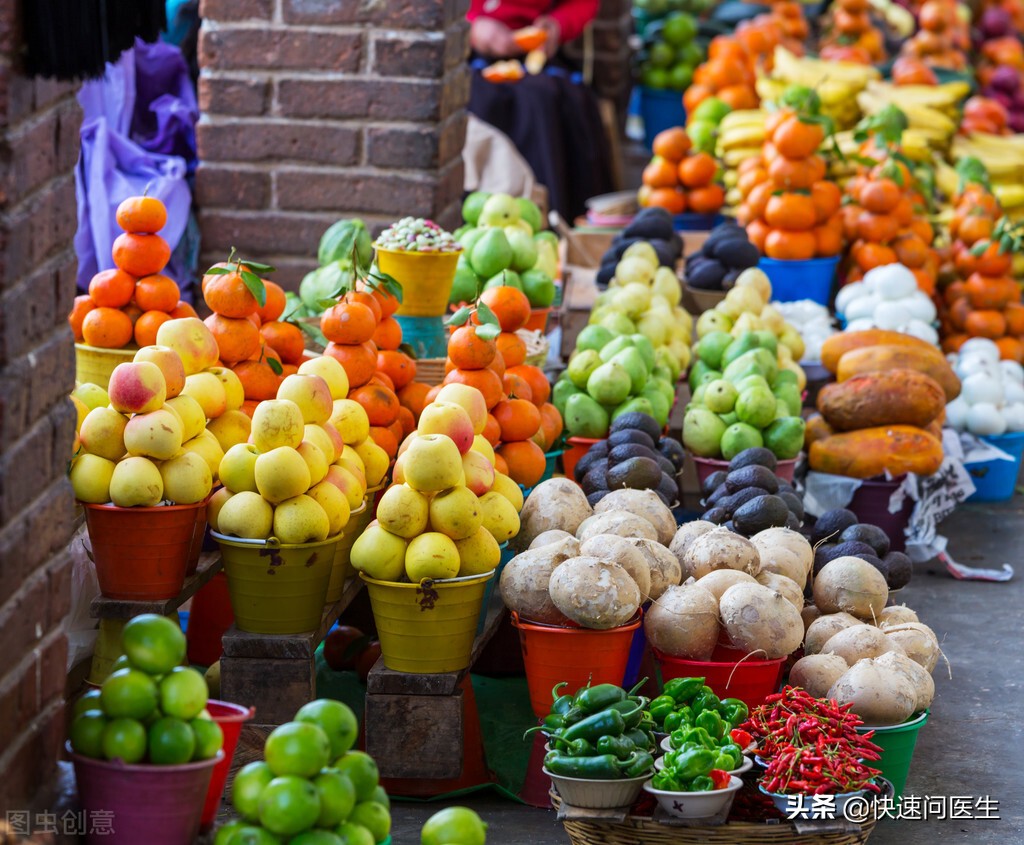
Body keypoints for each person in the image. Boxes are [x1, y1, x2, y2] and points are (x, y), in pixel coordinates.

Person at [466, 1, 613, 221]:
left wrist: (557, 25)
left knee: (550, 104)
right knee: (482, 102)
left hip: (537, 56)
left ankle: (553, 220)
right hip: (470, 53)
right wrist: (471, 27)